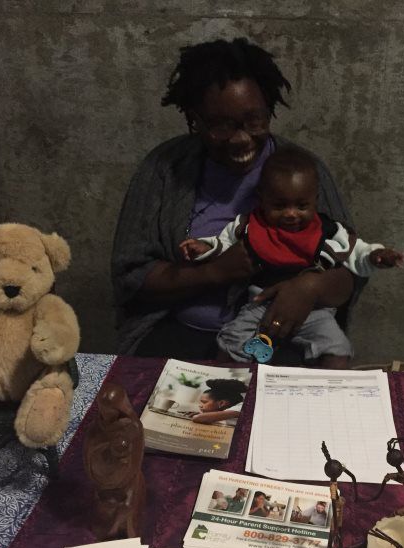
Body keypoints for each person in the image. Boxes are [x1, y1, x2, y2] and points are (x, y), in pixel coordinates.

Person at [111, 38, 359, 360]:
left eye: (254, 121)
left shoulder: (302, 172)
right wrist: (214, 272)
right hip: (177, 333)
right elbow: (131, 274)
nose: (241, 139)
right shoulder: (163, 170)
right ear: (194, 119)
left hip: (279, 335)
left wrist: (309, 288)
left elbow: (350, 273)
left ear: (269, 110)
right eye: (220, 125)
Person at [180, 147, 404, 367]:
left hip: (315, 311)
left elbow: (357, 253)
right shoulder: (249, 225)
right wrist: (205, 247)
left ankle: (331, 394)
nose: (291, 213)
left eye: (301, 206)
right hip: (260, 307)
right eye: (279, 205)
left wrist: (376, 255)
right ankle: (228, 390)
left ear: (315, 200)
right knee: (231, 343)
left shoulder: (329, 230)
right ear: (262, 198)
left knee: (338, 348)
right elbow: (225, 243)